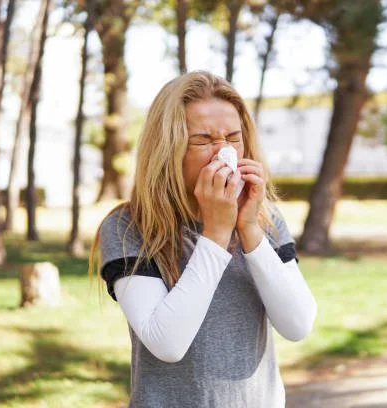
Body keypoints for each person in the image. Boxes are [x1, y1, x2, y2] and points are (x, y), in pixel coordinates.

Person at [89, 71, 317, 408]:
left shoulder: (265, 219)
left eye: (233, 137)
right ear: (168, 148)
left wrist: (250, 230)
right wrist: (216, 233)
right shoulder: (128, 227)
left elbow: (298, 325)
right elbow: (167, 343)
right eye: (203, 139)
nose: (222, 152)